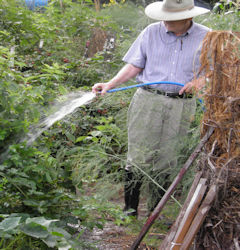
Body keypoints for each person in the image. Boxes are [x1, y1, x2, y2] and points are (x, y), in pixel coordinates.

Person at [92, 0, 210, 217]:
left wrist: (200, 83)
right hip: (148, 100)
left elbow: (214, 70)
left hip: (182, 104)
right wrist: (110, 84)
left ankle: (156, 211)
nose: (165, 20)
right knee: (138, 155)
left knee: (168, 157)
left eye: (171, 17)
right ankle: (129, 210)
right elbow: (135, 64)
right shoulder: (151, 32)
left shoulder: (207, 36)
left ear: (188, 17)